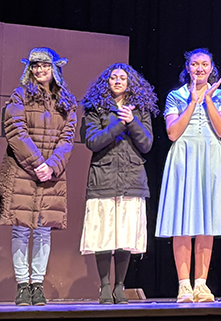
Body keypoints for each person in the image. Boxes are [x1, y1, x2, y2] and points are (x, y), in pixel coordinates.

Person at [0, 48, 77, 306]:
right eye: (35, 66)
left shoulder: (66, 100)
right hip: (23, 171)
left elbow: (68, 137)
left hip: (51, 174)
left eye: (45, 66)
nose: (40, 70)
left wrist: (52, 166)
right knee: (20, 229)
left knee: (42, 230)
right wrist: (38, 164)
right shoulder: (20, 95)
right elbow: (15, 131)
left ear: (55, 69)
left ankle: (37, 285)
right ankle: (22, 285)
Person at [155, 49, 221, 303]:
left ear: (211, 68)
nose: (199, 68)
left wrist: (208, 99)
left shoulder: (220, 95)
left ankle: (201, 283)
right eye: (195, 64)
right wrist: (191, 102)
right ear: (187, 67)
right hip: (184, 157)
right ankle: (184, 285)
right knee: (182, 221)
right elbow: (172, 133)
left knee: (206, 222)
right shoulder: (175, 96)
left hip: (209, 157)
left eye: (205, 64)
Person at [79, 63, 158, 304]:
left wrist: (132, 121)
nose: (117, 81)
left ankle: (120, 286)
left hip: (131, 179)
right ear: (107, 82)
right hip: (103, 178)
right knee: (103, 234)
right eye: (113, 77)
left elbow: (146, 144)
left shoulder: (140, 108)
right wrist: (118, 124)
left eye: (122, 78)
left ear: (130, 82)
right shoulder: (95, 108)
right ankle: (104, 285)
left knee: (124, 234)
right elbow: (92, 141)